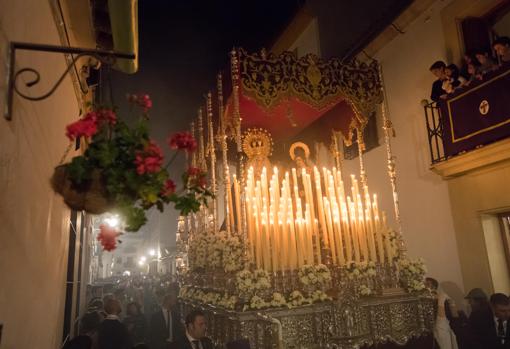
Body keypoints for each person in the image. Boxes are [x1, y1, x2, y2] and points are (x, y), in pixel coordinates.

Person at [425, 277, 459, 349]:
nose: (425, 286)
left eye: (427, 284)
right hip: (436, 329)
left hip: (441, 328)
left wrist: (444, 301)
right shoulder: (430, 298)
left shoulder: (441, 297)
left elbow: (450, 317)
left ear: (433, 287)